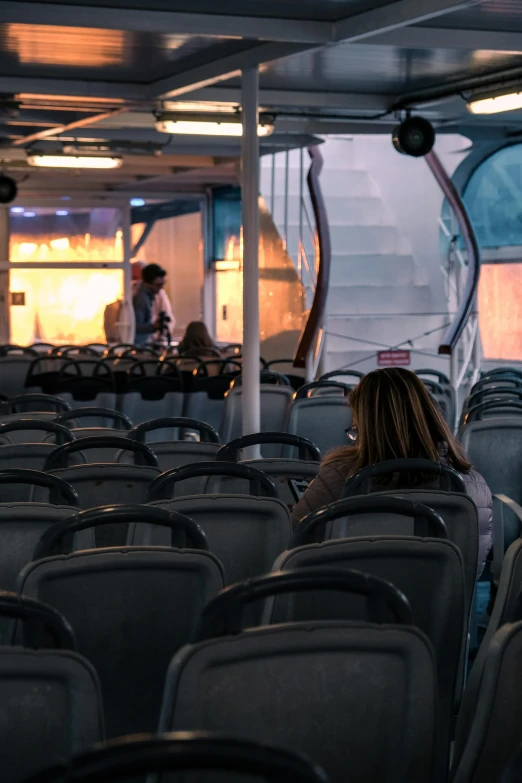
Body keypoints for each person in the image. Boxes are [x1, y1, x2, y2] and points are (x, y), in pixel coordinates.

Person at [291, 367, 493, 578]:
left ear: (367, 427)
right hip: (445, 607)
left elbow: (295, 544)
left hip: (355, 605)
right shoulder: (474, 485)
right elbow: (474, 567)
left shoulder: (340, 478)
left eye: (356, 430)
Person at [131, 260, 175, 342]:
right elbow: (136, 326)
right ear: (147, 283)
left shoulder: (150, 296)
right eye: (158, 285)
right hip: (140, 345)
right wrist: (154, 327)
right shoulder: (141, 299)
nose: (160, 288)